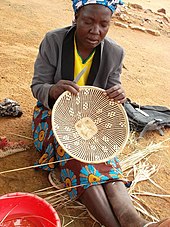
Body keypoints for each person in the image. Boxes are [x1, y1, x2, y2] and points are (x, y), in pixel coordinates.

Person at [31, 1, 170, 226]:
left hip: (91, 120)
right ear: (76, 17)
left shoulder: (115, 52)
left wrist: (118, 94)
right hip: (52, 115)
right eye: (88, 22)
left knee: (103, 157)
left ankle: (136, 222)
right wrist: (53, 90)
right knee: (75, 154)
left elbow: (112, 92)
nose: (96, 31)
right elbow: (38, 86)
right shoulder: (54, 41)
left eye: (104, 24)